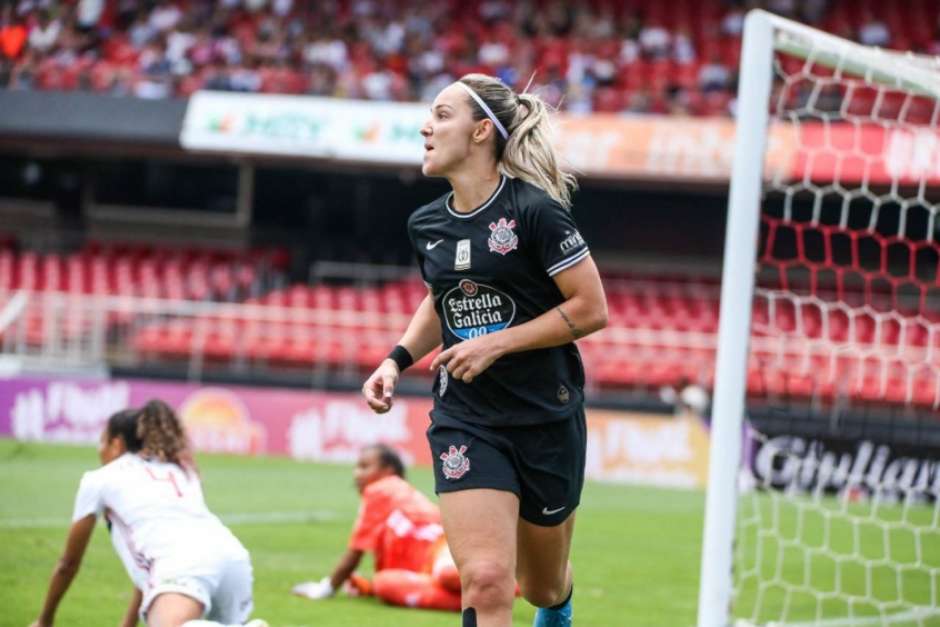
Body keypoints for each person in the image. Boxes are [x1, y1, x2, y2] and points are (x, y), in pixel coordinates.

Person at [362, 73, 608, 627]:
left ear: (480, 132)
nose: (427, 126)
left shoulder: (536, 211)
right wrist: (395, 359)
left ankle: (558, 603)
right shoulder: (425, 224)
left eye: (442, 115)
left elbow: (592, 308)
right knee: (489, 580)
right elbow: (440, 299)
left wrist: (497, 343)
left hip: (546, 415)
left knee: (540, 587)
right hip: (467, 418)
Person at [30, 400, 267, 627]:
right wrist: (128, 623)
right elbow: (148, 567)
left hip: (182, 563)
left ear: (117, 444)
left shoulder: (99, 480)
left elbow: (68, 564)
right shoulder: (178, 469)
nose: (99, 449)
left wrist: (45, 619)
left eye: (102, 440)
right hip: (231, 556)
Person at [291, 444, 463, 611]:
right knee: (383, 583)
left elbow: (355, 553)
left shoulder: (379, 489)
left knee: (445, 575)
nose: (357, 474)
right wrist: (369, 587)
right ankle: (476, 600)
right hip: (446, 557)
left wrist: (325, 588)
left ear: (388, 470)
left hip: (444, 553)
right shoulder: (402, 493)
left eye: (364, 466)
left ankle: (474, 598)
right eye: (357, 467)